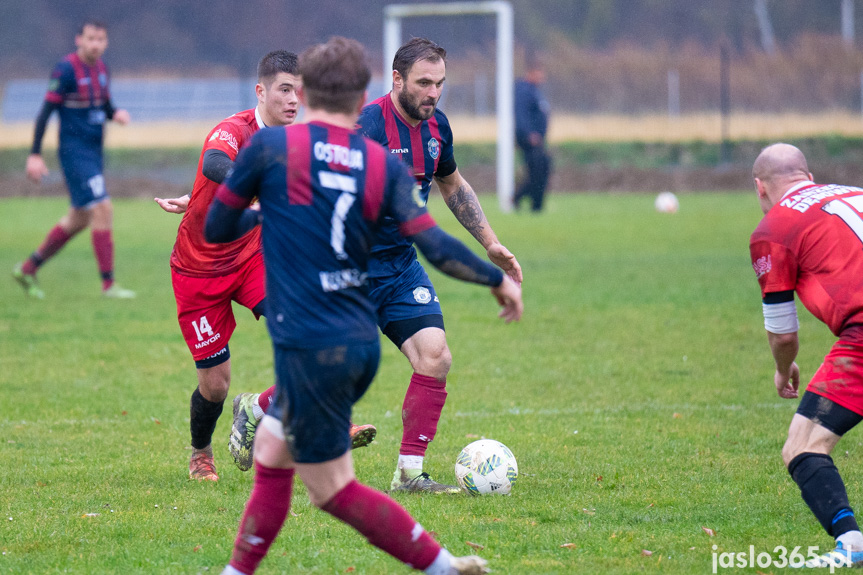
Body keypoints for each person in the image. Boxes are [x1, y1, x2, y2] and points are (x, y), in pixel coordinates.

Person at [205, 36, 519, 575]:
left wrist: (264, 214)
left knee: (333, 491)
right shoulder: (377, 160)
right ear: (366, 94)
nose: (433, 93)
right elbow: (435, 243)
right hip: (352, 340)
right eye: (425, 81)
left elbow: (217, 227)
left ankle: (444, 567)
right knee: (274, 459)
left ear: (302, 92)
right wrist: (494, 278)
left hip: (312, 339)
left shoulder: (270, 149)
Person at [155, 50, 376, 482]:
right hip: (198, 271)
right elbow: (216, 164)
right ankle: (201, 452)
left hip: (255, 256)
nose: (294, 99)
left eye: (300, 91)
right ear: (261, 91)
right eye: (285, 89)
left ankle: (287, 413)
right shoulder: (233, 129)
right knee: (215, 384)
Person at [357, 37, 523, 493]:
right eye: (423, 83)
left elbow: (450, 184)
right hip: (347, 270)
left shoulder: (437, 129)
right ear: (396, 80)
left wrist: (490, 242)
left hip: (400, 266)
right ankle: (260, 408)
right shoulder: (365, 127)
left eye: (440, 84)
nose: (433, 93)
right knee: (337, 369)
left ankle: (410, 473)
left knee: (435, 356)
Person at [749, 143, 863, 568]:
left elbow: (782, 333)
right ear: (808, 175)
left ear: (760, 188)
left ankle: (850, 543)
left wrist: (784, 371)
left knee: (804, 445)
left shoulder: (774, 229)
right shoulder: (855, 193)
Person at [13, 20, 135, 299]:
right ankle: (109, 285)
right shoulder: (65, 69)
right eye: (90, 38)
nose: (95, 44)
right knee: (103, 207)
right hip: (74, 153)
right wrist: (34, 154)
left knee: (79, 218)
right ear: (78, 39)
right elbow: (45, 113)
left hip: (94, 153)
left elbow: (102, 105)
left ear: (105, 43)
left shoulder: (102, 69)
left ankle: (28, 268)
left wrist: (115, 114)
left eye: (101, 39)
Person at [513, 56, 551, 212]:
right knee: (537, 172)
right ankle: (529, 204)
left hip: (538, 140)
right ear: (531, 72)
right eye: (539, 72)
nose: (542, 76)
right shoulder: (524, 90)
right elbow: (521, 115)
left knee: (543, 169)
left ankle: (532, 204)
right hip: (530, 140)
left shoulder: (535, 91)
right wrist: (529, 134)